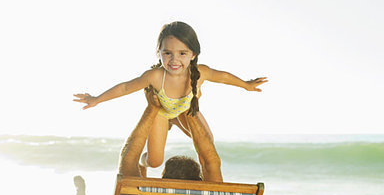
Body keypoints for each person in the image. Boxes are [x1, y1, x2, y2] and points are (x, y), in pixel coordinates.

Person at [74, 21, 267, 169]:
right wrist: (96, 99)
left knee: (208, 143)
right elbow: (125, 88)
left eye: (182, 53)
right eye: (168, 53)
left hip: (184, 111)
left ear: (193, 54)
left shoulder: (200, 73)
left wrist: (246, 85)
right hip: (162, 114)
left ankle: (176, 123)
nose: (174, 60)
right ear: (159, 53)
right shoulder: (156, 76)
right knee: (155, 162)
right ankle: (143, 162)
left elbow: (223, 77)